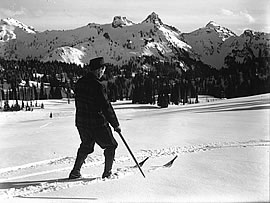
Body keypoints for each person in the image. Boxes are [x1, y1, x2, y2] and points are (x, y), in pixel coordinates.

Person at [69, 57, 121, 179]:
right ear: (98, 70)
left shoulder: (80, 82)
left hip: (81, 122)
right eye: (102, 69)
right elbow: (106, 106)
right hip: (97, 123)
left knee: (86, 145)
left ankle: (75, 172)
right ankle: (107, 173)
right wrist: (115, 125)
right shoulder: (98, 85)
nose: (103, 71)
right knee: (111, 145)